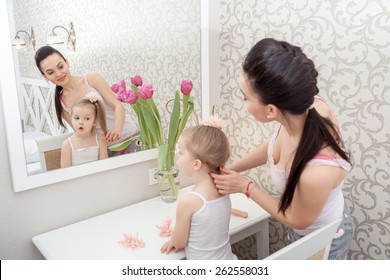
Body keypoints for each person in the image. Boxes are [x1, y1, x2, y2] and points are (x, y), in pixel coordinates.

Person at [210, 38, 353, 260]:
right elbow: (275, 147)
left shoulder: (316, 172)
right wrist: (233, 168)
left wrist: (246, 187)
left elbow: (298, 218)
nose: (243, 103)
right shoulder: (305, 108)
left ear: (271, 110)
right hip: (301, 231)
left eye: (245, 97)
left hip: (325, 239)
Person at [34, 46, 140, 156]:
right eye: (50, 72)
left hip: (130, 137)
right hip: (106, 150)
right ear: (44, 76)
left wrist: (117, 130)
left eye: (60, 66)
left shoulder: (92, 79)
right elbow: (84, 133)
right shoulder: (62, 105)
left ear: (67, 63)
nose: (58, 74)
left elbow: (117, 105)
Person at [160, 118, 237, 260]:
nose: (177, 156)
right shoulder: (223, 189)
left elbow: (179, 242)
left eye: (181, 152)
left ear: (196, 164)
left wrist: (173, 240)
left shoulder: (189, 201)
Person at [61, 93, 108, 167]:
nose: (81, 122)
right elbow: (66, 173)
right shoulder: (67, 145)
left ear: (95, 121)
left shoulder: (100, 142)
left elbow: (104, 168)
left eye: (87, 118)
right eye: (77, 118)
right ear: (71, 119)